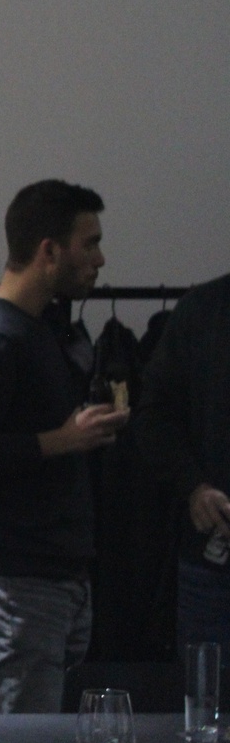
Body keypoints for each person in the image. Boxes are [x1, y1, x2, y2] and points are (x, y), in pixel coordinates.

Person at [0, 179, 129, 714]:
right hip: (18, 579)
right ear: (49, 251)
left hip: (50, 574)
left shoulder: (35, 331)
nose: (100, 259)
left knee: (41, 742)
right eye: (89, 243)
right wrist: (63, 440)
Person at [132, 272, 230, 649]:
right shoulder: (203, 311)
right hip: (213, 561)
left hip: (210, 562)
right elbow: (154, 416)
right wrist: (194, 487)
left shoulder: (203, 309)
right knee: (206, 681)